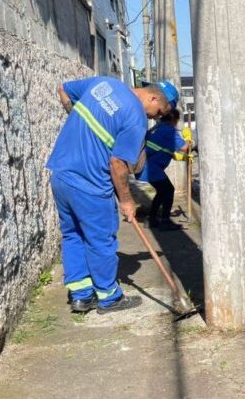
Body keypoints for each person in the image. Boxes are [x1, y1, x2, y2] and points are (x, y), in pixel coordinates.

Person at [48, 77, 179, 314]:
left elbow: (63, 89)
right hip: (91, 183)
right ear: (153, 98)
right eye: (160, 112)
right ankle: (108, 297)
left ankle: (81, 296)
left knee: (73, 234)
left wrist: (75, 118)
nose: (156, 118)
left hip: (61, 173)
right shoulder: (136, 117)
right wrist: (127, 200)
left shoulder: (104, 84)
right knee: (101, 239)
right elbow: (118, 163)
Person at [137, 108, 189, 230]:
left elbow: (162, 147)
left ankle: (151, 219)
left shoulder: (159, 127)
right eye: (177, 120)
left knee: (162, 191)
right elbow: (184, 148)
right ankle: (165, 221)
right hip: (151, 167)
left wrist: (176, 156)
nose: (177, 123)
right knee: (168, 190)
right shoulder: (169, 130)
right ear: (173, 119)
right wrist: (189, 138)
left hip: (146, 165)